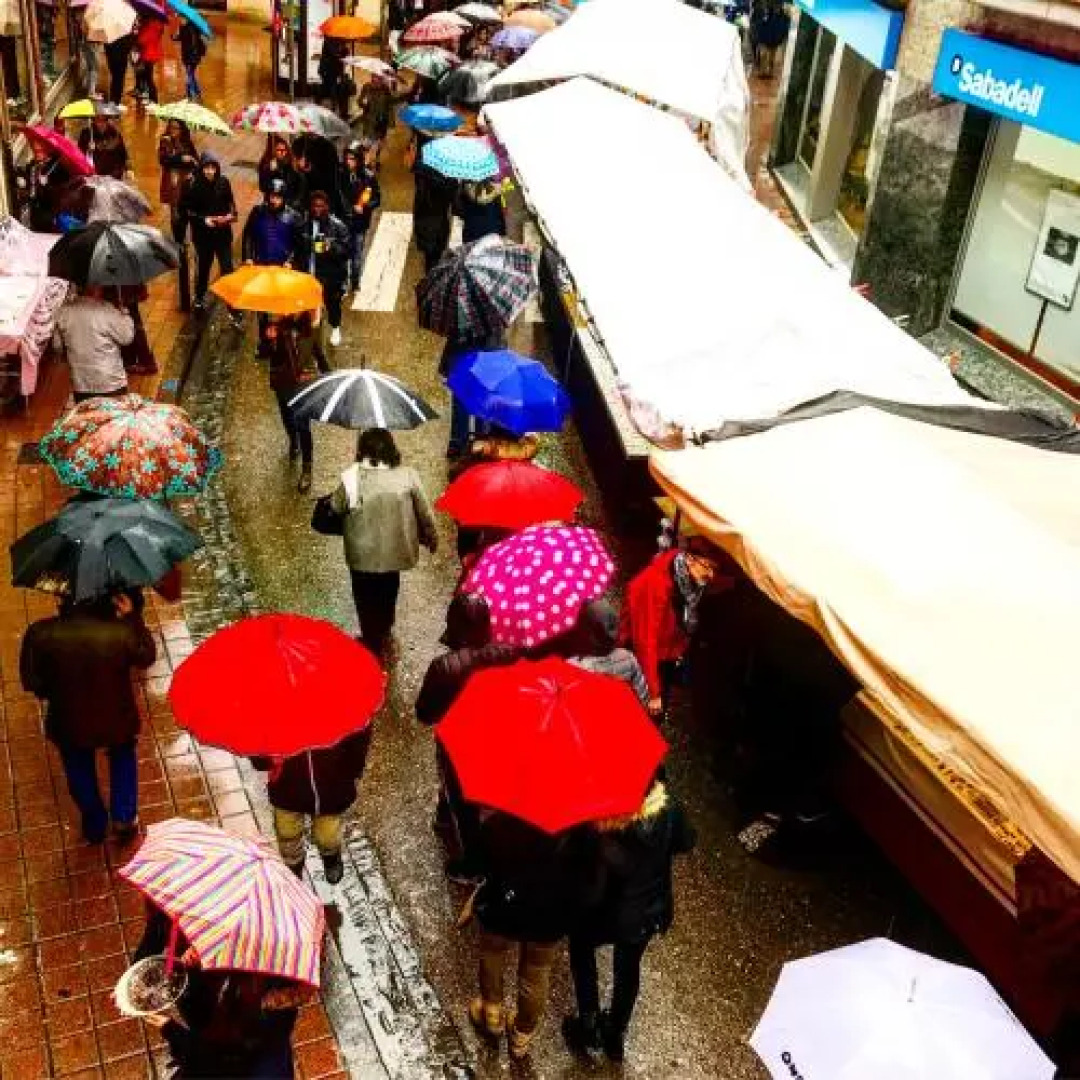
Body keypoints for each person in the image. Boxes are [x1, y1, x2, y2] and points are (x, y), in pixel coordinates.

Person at [563, 778, 696, 1063]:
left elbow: (580, 859)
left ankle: (588, 1022)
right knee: (628, 968)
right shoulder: (668, 809)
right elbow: (687, 841)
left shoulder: (602, 820)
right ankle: (615, 1034)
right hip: (647, 910)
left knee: (581, 948)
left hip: (604, 911)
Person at [20, 590, 155, 844]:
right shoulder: (120, 631)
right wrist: (132, 618)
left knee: (77, 764)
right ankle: (124, 817)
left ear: (61, 597)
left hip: (69, 720)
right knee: (122, 753)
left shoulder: (40, 634)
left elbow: (33, 682)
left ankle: (94, 823)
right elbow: (146, 656)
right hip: (117, 716)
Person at [468, 811, 598, 1060]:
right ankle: (521, 1034)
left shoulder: (503, 819)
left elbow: (478, 860)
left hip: (503, 902)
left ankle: (491, 1014)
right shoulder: (584, 831)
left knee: (493, 951)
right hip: (550, 912)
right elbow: (588, 879)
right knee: (536, 969)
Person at [134, 905, 307, 1078]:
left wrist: (173, 1032)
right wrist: (139, 974)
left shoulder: (271, 991)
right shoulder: (187, 905)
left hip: (249, 1045)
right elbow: (158, 929)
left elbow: (221, 1062)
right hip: (211, 1017)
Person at [415, 593, 517, 881]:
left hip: (458, 748)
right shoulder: (509, 653)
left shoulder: (444, 667)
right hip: (498, 736)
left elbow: (425, 713)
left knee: (464, 803)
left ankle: (473, 866)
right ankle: (447, 816)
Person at [329, 428, 438, 654]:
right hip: (394, 550)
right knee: (389, 587)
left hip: (361, 553)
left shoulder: (352, 476)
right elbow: (425, 512)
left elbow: (336, 507)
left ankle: (370, 636)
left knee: (362, 592)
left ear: (362, 451)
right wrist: (430, 537)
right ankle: (385, 625)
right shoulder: (408, 475)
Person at [619, 535, 729, 719]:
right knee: (641, 712)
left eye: (715, 570)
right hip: (645, 657)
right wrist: (654, 692)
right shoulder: (656, 584)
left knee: (656, 711)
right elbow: (645, 641)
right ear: (689, 558)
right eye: (708, 567)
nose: (711, 575)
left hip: (667, 653)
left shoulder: (688, 581)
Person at [251, 728, 373, 885]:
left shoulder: (341, 709)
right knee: (287, 832)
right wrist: (264, 759)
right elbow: (257, 743)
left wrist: (352, 770)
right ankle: (293, 866)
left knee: (327, 835)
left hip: (330, 787)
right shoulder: (270, 713)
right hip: (287, 786)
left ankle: (331, 857)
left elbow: (359, 735)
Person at [264, 313, 327, 492]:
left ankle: (307, 467)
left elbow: (319, 355)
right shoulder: (278, 329)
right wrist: (271, 341)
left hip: (302, 385)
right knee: (287, 417)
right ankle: (293, 441)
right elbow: (266, 354)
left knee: (303, 425)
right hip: (283, 384)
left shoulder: (311, 331)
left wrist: (330, 377)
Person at [560, 599, 650, 708]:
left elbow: (570, 706)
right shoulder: (627, 657)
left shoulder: (572, 667)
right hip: (624, 717)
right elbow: (642, 696)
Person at [181, 152, 239, 317]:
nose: (210, 171)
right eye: (207, 167)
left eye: (213, 168)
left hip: (222, 235)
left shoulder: (224, 182)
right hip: (203, 237)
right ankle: (199, 297)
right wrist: (203, 220)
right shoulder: (193, 185)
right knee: (204, 268)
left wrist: (230, 215)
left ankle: (232, 303)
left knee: (227, 268)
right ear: (202, 168)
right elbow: (186, 211)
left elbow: (231, 204)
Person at [52, 286, 134, 401]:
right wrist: (125, 316)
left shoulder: (63, 311)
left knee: (86, 417)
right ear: (96, 288)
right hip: (110, 381)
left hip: (80, 381)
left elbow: (57, 346)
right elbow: (126, 338)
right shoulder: (106, 310)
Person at [293, 189, 350, 347]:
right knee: (307, 305)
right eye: (314, 206)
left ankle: (335, 327)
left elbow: (346, 251)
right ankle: (309, 334)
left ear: (327, 207)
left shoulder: (337, 226)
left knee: (332, 303)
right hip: (309, 273)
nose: (317, 209)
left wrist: (330, 247)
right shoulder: (304, 224)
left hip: (330, 275)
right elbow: (297, 247)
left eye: (321, 206)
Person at [439, 329, 506, 458]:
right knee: (482, 400)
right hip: (486, 357)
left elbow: (453, 339)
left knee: (461, 400)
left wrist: (446, 366)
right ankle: (479, 443)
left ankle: (458, 442)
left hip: (464, 356)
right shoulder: (493, 316)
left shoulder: (461, 313)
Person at [337, 140, 381, 294]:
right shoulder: (340, 175)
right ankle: (343, 283)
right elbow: (338, 196)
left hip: (360, 223)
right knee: (342, 255)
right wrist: (347, 209)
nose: (350, 162)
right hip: (343, 221)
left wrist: (365, 207)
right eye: (347, 158)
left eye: (353, 159)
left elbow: (377, 199)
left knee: (356, 256)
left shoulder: (368, 177)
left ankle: (355, 282)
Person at [413, 150, 456, 273]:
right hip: (440, 228)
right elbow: (457, 207)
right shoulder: (449, 182)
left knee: (429, 262)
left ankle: (429, 284)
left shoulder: (422, 180)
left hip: (425, 227)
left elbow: (418, 205)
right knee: (435, 261)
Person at [158, 117, 199, 242]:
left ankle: (184, 235)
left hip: (185, 181)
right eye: (171, 127)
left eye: (176, 128)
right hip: (173, 181)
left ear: (182, 129)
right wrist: (181, 158)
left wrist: (191, 162)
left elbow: (195, 159)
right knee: (175, 210)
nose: (173, 130)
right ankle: (178, 240)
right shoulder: (165, 141)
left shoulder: (187, 142)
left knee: (185, 208)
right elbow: (163, 160)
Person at [17, 141, 72, 232]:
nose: (36, 153)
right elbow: (29, 185)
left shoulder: (58, 168)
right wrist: (23, 182)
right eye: (34, 151)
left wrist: (47, 185)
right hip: (34, 210)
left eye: (39, 151)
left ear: (47, 150)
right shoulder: (32, 166)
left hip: (51, 212)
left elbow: (62, 193)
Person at [78, 115, 129, 180]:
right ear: (93, 121)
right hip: (95, 174)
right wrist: (88, 150)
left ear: (107, 120)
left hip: (114, 174)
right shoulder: (86, 133)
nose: (101, 124)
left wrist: (128, 169)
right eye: (98, 121)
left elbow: (123, 154)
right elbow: (79, 155)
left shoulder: (114, 133)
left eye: (103, 120)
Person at [456, 179, 506, 245]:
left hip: (493, 228)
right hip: (475, 230)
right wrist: (495, 193)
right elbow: (480, 200)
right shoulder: (468, 183)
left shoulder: (490, 182)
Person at [258, 137, 301, 204]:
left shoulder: (291, 164)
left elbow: (296, 185)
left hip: (288, 202)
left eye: (284, 150)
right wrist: (270, 172)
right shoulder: (266, 164)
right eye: (279, 150)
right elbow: (262, 187)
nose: (282, 152)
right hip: (272, 202)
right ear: (274, 150)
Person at [133, 13, 165, 103]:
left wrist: (137, 33)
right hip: (153, 53)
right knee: (147, 76)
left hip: (148, 54)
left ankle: (153, 100)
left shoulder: (150, 24)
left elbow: (142, 40)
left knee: (148, 78)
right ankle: (149, 97)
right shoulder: (158, 23)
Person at [176, 16, 207, 100]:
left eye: (182, 18)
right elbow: (181, 38)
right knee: (190, 74)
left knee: (190, 75)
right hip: (186, 55)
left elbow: (193, 45)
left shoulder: (192, 29)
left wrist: (192, 56)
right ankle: (194, 93)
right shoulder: (183, 27)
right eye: (180, 18)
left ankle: (192, 94)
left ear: (187, 19)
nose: (180, 20)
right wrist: (175, 37)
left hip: (192, 56)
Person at [103, 28, 134, 105]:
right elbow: (129, 46)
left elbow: (106, 48)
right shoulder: (125, 33)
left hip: (112, 61)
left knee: (114, 78)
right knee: (119, 79)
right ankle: (116, 100)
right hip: (121, 60)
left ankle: (113, 99)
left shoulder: (108, 34)